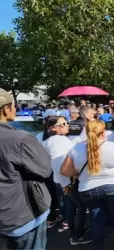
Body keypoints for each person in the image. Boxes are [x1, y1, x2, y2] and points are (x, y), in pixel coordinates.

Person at [60, 120, 114, 250]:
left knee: (96, 218)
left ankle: (98, 247)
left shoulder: (75, 149)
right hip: (113, 186)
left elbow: (64, 171)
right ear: (103, 132)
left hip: (88, 190)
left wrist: (76, 172)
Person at [0, 89, 52, 250]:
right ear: (5, 109)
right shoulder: (19, 139)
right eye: (13, 106)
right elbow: (45, 169)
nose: (15, 109)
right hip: (22, 216)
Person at [41, 116, 90, 245]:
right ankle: (76, 236)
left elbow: (77, 141)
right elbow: (58, 164)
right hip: (66, 181)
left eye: (67, 122)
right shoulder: (57, 141)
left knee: (71, 206)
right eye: (63, 123)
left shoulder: (55, 140)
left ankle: (74, 232)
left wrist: (86, 125)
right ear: (54, 128)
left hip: (61, 180)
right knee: (81, 205)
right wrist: (67, 182)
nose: (67, 125)